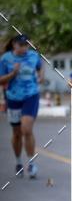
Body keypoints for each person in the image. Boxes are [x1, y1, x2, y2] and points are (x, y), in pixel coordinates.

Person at [0, 34, 44, 178]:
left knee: (26, 129)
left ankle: (31, 164)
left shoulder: (33, 56)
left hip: (31, 96)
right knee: (17, 133)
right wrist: (13, 73)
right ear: (14, 44)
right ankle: (19, 162)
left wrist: (41, 76)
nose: (25, 47)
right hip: (13, 98)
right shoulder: (5, 59)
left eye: (26, 44)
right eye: (21, 45)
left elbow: (40, 66)